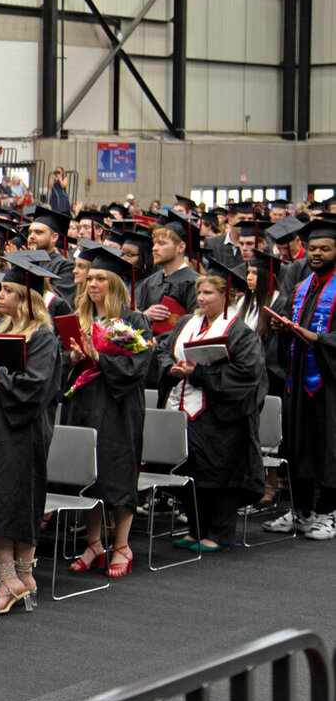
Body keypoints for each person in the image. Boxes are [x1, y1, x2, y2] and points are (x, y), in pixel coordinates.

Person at [0, 256, 61, 614]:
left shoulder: (43, 337)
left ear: (26, 297)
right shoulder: (0, 327)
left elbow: (36, 387)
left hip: (23, 433)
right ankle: (17, 578)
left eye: (7, 290)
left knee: (15, 501)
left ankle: (14, 579)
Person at [156, 266, 266, 551]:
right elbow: (164, 353)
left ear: (225, 295)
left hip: (221, 416)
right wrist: (172, 369)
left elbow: (248, 373)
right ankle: (195, 529)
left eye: (208, 293)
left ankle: (219, 533)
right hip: (184, 409)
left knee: (219, 473)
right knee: (191, 470)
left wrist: (201, 375)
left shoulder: (240, 332)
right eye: (199, 293)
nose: (201, 299)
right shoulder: (186, 324)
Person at [62, 246, 152, 578]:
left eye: (101, 278)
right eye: (91, 278)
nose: (93, 283)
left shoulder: (131, 320)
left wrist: (99, 357)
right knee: (90, 476)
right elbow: (63, 361)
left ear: (114, 284)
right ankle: (95, 544)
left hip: (118, 407)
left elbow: (139, 366)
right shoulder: (81, 319)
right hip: (84, 404)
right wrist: (72, 358)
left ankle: (123, 545)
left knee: (117, 473)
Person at [263, 218, 336, 539]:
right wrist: (283, 329)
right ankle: (302, 510)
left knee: (328, 447)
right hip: (298, 380)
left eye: (325, 248)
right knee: (297, 445)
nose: (316, 254)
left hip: (329, 385)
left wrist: (320, 339)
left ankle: (328, 513)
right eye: (313, 248)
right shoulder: (302, 286)